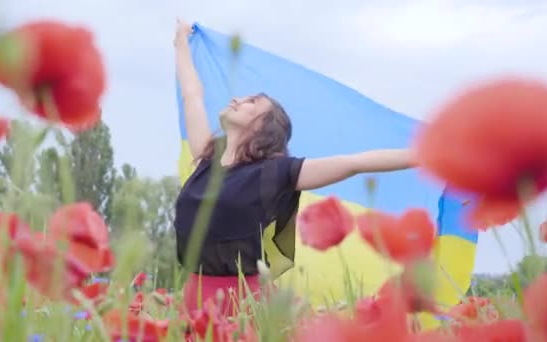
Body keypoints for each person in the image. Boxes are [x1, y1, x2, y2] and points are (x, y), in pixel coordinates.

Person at [173, 18, 417, 316]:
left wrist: (430, 155)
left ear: (263, 126)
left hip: (244, 305)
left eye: (251, 102)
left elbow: (356, 163)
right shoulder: (206, 159)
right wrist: (182, 42)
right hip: (194, 298)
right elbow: (192, 97)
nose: (237, 99)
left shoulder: (274, 174)